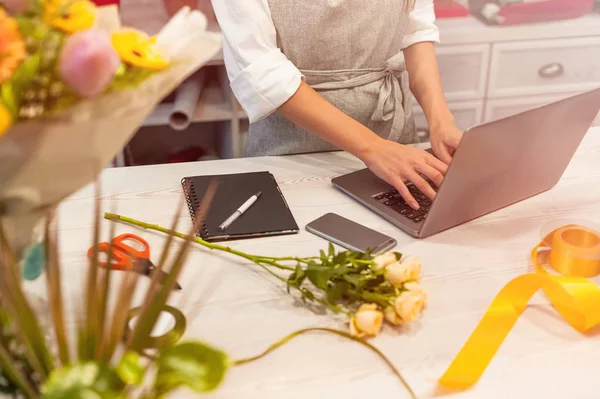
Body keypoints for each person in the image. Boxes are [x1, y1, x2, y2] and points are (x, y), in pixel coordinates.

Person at [209, 0, 463, 209]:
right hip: (292, 152)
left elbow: (415, 31)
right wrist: (372, 147)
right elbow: (264, 71)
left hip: (394, 140)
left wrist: (441, 121)